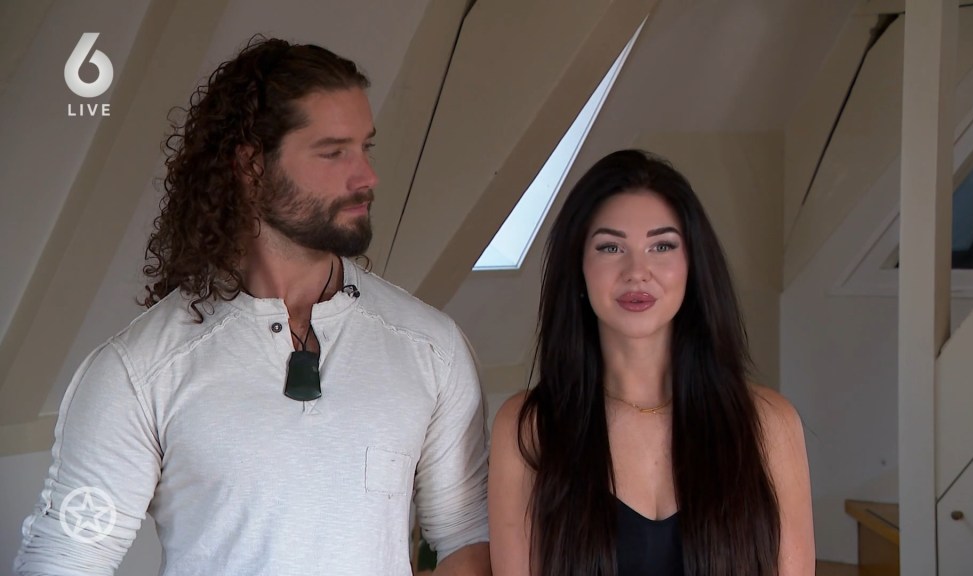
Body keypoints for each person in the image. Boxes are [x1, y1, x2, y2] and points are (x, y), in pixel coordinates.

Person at [15, 37, 490, 575]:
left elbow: (465, 537)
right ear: (250, 166)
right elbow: (65, 559)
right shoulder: (138, 372)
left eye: (365, 147)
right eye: (334, 152)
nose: (366, 177)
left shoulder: (432, 348)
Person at [488, 149, 813, 575]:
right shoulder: (529, 428)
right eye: (610, 247)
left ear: (693, 265)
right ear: (579, 268)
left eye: (662, 246)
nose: (637, 271)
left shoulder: (770, 423)